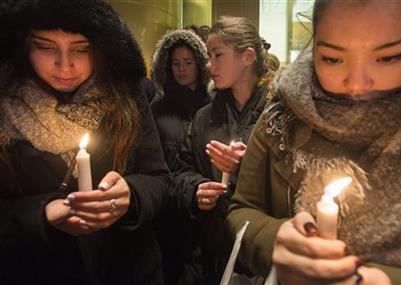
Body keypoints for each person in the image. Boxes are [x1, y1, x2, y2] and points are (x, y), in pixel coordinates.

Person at [227, 0, 401, 284]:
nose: (357, 83)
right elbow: (242, 210)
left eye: (389, 57)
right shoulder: (283, 115)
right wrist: (274, 239)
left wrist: (393, 280)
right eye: (332, 59)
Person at [0, 1, 170, 284]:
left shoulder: (127, 97)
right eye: (45, 46)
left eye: (81, 48)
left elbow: (159, 179)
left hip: (129, 269)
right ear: (23, 44)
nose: (64, 65)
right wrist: (42, 213)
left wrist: (132, 194)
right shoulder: (6, 108)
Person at [174, 16, 277, 284]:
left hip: (260, 252)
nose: (209, 65)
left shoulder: (278, 116)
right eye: (208, 56)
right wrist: (196, 190)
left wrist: (244, 167)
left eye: (218, 55)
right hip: (213, 249)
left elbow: (293, 185)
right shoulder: (204, 117)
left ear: (248, 56)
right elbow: (181, 169)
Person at [150, 29, 211, 285]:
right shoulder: (158, 107)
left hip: (203, 202)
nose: (181, 69)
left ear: (199, 64)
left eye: (188, 62)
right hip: (168, 206)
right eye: (175, 63)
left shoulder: (212, 105)